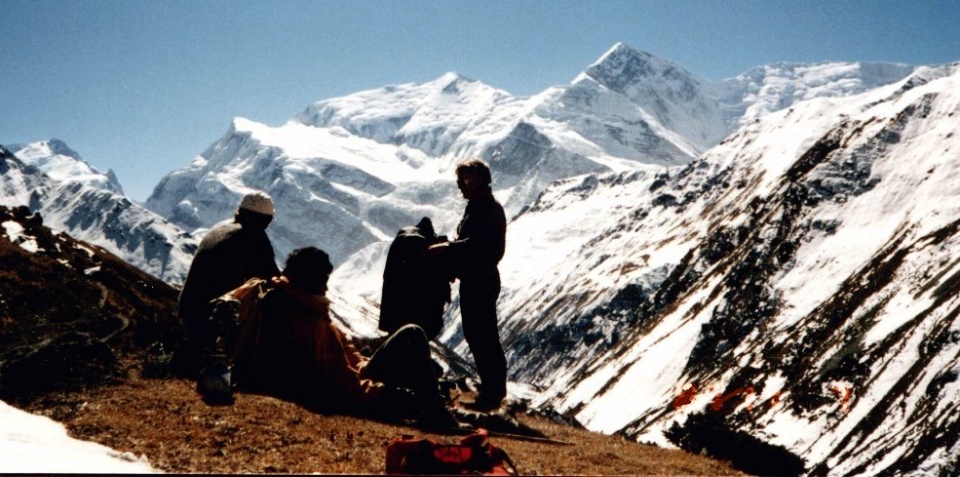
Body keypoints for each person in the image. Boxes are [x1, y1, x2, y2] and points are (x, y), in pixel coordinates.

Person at [223, 247, 461, 430]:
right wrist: (385, 393)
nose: (326, 287)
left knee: (421, 365)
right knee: (412, 335)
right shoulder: (308, 320)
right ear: (309, 279)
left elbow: (342, 359)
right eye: (322, 279)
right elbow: (341, 382)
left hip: (350, 377)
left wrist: (364, 366)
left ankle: (435, 406)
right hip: (343, 392)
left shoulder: (287, 300)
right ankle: (436, 414)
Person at [429, 158, 508, 411]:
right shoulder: (478, 207)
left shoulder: (486, 209)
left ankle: (492, 394)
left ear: (479, 181)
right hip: (476, 278)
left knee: (483, 335)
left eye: (465, 180)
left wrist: (446, 249)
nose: (460, 186)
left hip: (480, 279)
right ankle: (492, 391)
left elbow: (477, 246)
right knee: (479, 335)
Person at [178, 191, 280, 360]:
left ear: (239, 211)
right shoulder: (254, 235)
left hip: (188, 313)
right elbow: (273, 279)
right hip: (213, 320)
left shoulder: (219, 229)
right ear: (267, 220)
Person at [379, 217, 451, 340]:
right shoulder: (423, 246)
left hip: (395, 303)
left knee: (397, 336)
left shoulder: (403, 240)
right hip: (417, 306)